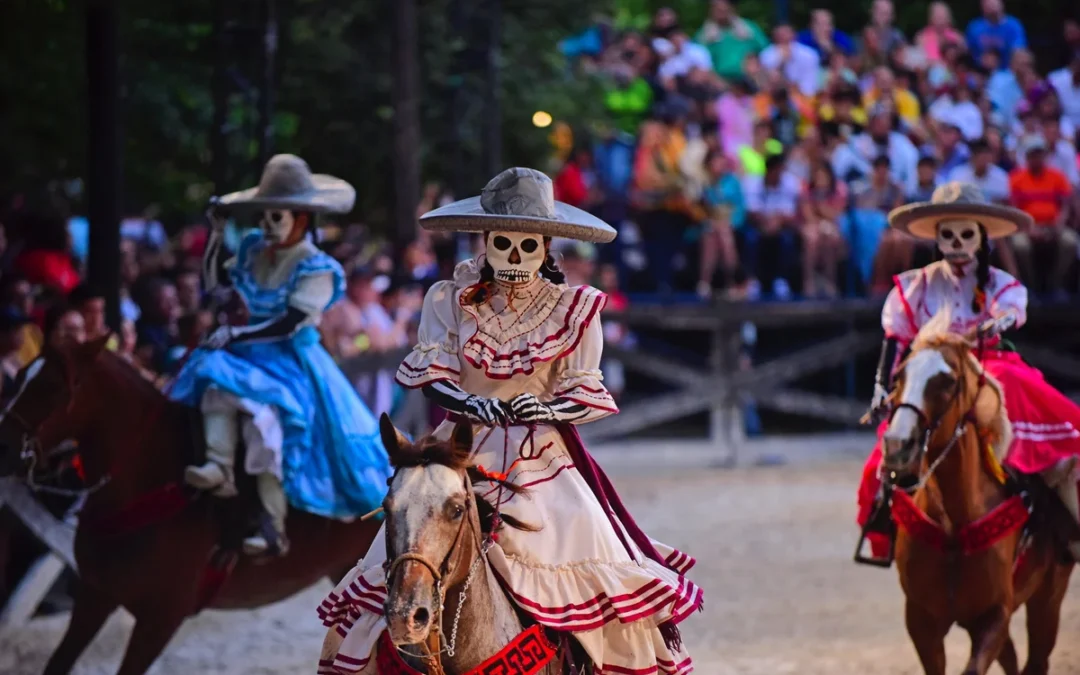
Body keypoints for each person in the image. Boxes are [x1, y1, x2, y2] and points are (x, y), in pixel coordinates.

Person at [318, 167, 701, 675]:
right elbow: (433, 375)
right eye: (503, 243)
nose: (515, 258)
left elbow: (584, 390)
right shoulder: (448, 299)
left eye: (528, 246)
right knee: (400, 538)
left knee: (581, 537)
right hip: (460, 443)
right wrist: (469, 402)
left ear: (546, 246)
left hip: (539, 455)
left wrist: (546, 409)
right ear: (485, 240)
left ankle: (586, 662)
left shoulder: (573, 308)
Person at [169, 154, 392, 557]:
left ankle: (273, 523)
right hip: (246, 353)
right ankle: (219, 466)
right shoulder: (254, 248)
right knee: (214, 385)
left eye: (277, 217)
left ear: (301, 219)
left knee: (266, 421)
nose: (267, 226)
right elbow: (217, 286)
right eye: (264, 216)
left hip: (291, 362)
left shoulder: (316, 267)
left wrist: (236, 332)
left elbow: (289, 323)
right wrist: (216, 235)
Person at [856, 182, 1080, 565]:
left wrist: (1000, 321)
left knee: (1023, 404)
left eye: (966, 235)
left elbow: (1012, 310)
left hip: (988, 364)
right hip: (933, 369)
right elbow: (895, 339)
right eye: (948, 235)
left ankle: (1067, 518)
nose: (957, 244)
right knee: (892, 439)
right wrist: (881, 386)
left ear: (980, 237)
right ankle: (886, 520)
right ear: (937, 238)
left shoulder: (997, 283)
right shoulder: (917, 285)